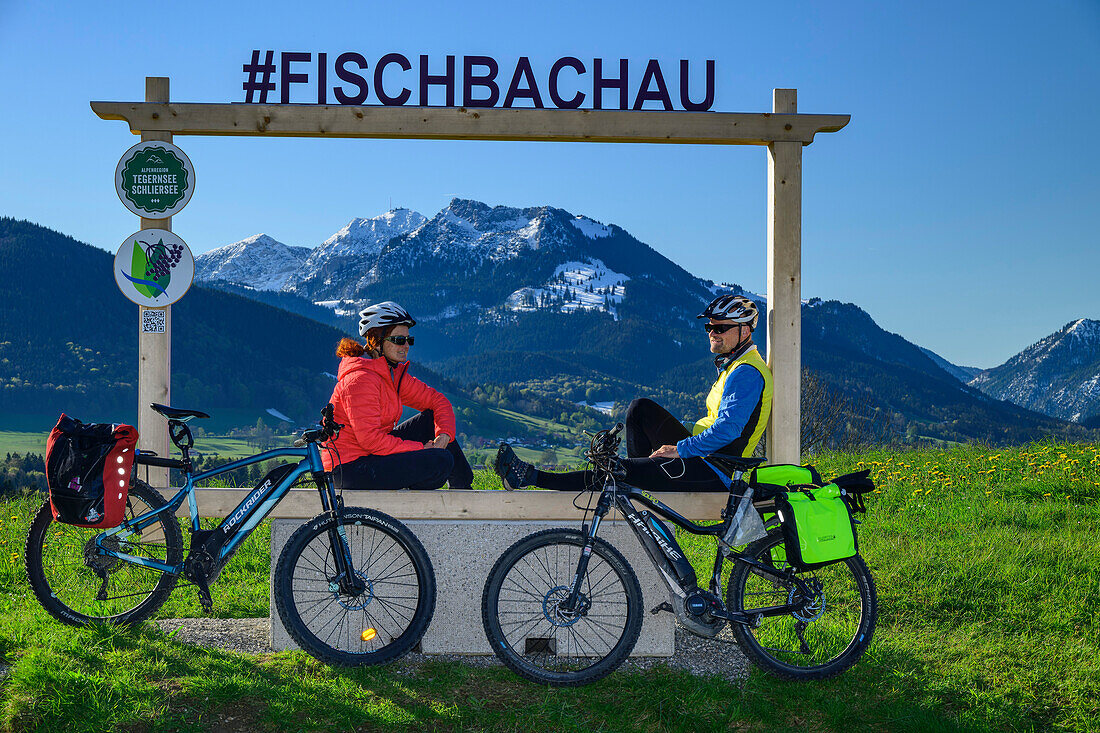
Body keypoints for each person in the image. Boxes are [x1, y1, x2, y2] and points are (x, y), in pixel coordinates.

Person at [494, 294, 772, 492]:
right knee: (640, 408)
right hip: (703, 455)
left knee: (620, 472)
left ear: (745, 330)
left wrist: (680, 449)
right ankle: (637, 476)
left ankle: (533, 477)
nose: (712, 332)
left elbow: (729, 430)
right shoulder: (735, 366)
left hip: (716, 469)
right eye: (709, 326)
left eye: (720, 327)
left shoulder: (746, 372)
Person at [322, 301, 474, 490]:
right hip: (349, 469)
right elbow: (370, 440)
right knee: (440, 461)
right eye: (399, 340)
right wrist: (421, 449)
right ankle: (452, 501)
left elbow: (438, 402)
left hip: (371, 456)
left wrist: (444, 436)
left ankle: (464, 491)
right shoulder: (360, 380)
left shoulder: (390, 375)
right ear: (376, 340)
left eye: (408, 340)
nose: (406, 346)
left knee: (430, 422)